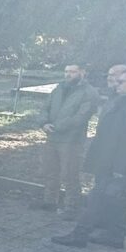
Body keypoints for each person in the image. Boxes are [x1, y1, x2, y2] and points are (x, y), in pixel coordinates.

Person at [53, 67, 126, 249]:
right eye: (116, 81)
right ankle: (116, 235)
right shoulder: (122, 100)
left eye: (122, 82)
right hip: (109, 159)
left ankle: (80, 234)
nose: (117, 85)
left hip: (116, 163)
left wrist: (120, 168)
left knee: (96, 198)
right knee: (118, 199)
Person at [33, 64, 98, 218]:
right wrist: (43, 123)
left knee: (70, 175)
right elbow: (45, 108)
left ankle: (72, 207)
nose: (68, 75)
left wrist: (57, 126)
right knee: (50, 171)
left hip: (72, 141)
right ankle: (50, 201)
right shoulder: (58, 89)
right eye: (66, 71)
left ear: (82, 72)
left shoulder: (89, 92)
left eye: (73, 72)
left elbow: (82, 117)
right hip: (52, 137)